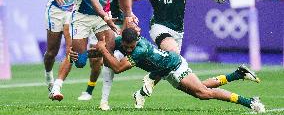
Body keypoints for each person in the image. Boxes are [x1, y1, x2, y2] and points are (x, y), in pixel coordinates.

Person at [82, 28, 265, 113]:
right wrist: (83, 55)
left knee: (203, 93)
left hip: (174, 66)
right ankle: (238, 74)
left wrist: (103, 49)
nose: (128, 50)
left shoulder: (140, 49)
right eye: (126, 47)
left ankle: (249, 102)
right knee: (201, 88)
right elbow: (106, 52)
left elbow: (117, 67)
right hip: (166, 72)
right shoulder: (123, 41)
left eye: (131, 47)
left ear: (136, 41)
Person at [128, 0, 209, 97]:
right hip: (159, 27)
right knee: (173, 53)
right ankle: (151, 78)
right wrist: (129, 14)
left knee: (170, 64)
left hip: (177, 31)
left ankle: (141, 93)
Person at [77, 0, 125, 111]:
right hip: (95, 24)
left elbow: (122, 9)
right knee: (95, 60)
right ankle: (89, 91)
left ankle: (99, 96)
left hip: (112, 25)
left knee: (108, 59)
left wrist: (121, 26)